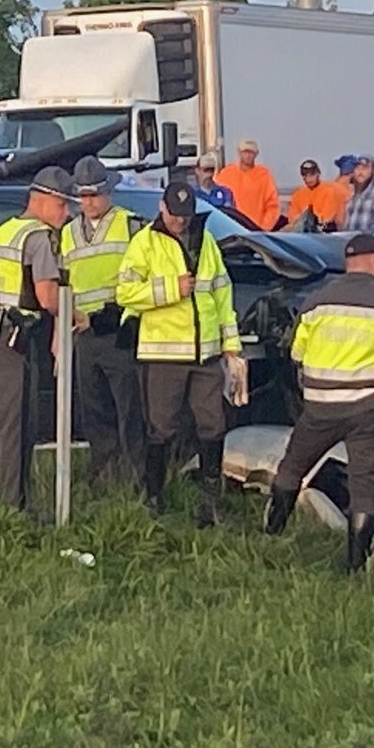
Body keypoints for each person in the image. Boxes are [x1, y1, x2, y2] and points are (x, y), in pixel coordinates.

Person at [263, 233, 374, 572]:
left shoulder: (315, 302)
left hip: (320, 406)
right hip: (367, 409)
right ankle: (356, 564)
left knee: (293, 465)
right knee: (365, 482)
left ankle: (271, 532)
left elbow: (296, 353)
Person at [116, 181, 243, 525]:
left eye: (185, 216)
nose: (180, 222)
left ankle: (210, 505)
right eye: (174, 215)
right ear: (162, 208)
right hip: (163, 355)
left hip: (206, 354)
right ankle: (154, 500)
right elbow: (125, 292)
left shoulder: (207, 242)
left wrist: (232, 348)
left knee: (213, 427)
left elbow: (222, 295)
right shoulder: (144, 242)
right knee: (161, 429)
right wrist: (172, 289)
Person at [0, 166, 74, 511]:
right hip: (12, 338)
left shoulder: (2, 232)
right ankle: (16, 508)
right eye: (62, 206)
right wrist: (74, 315)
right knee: (17, 426)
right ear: (43, 200)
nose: (67, 215)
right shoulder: (39, 237)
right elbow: (48, 297)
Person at [61, 156, 146, 488]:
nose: (89, 202)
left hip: (119, 331)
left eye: (94, 195)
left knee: (129, 410)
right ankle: (104, 479)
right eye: (83, 196)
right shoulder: (67, 233)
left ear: (108, 192)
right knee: (94, 412)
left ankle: (139, 480)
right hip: (84, 335)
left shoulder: (131, 225)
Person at [215, 138, 280, 230]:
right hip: (232, 229)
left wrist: (264, 228)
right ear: (239, 152)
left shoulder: (264, 175)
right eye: (245, 152)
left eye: (251, 152)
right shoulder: (226, 174)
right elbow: (216, 200)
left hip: (256, 231)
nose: (248, 156)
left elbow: (273, 206)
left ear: (257, 154)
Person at [287, 159, 344, 230]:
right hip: (301, 231)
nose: (309, 179)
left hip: (322, 232)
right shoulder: (298, 194)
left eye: (312, 175)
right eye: (305, 176)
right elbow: (293, 218)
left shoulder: (329, 192)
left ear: (318, 174)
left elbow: (327, 218)